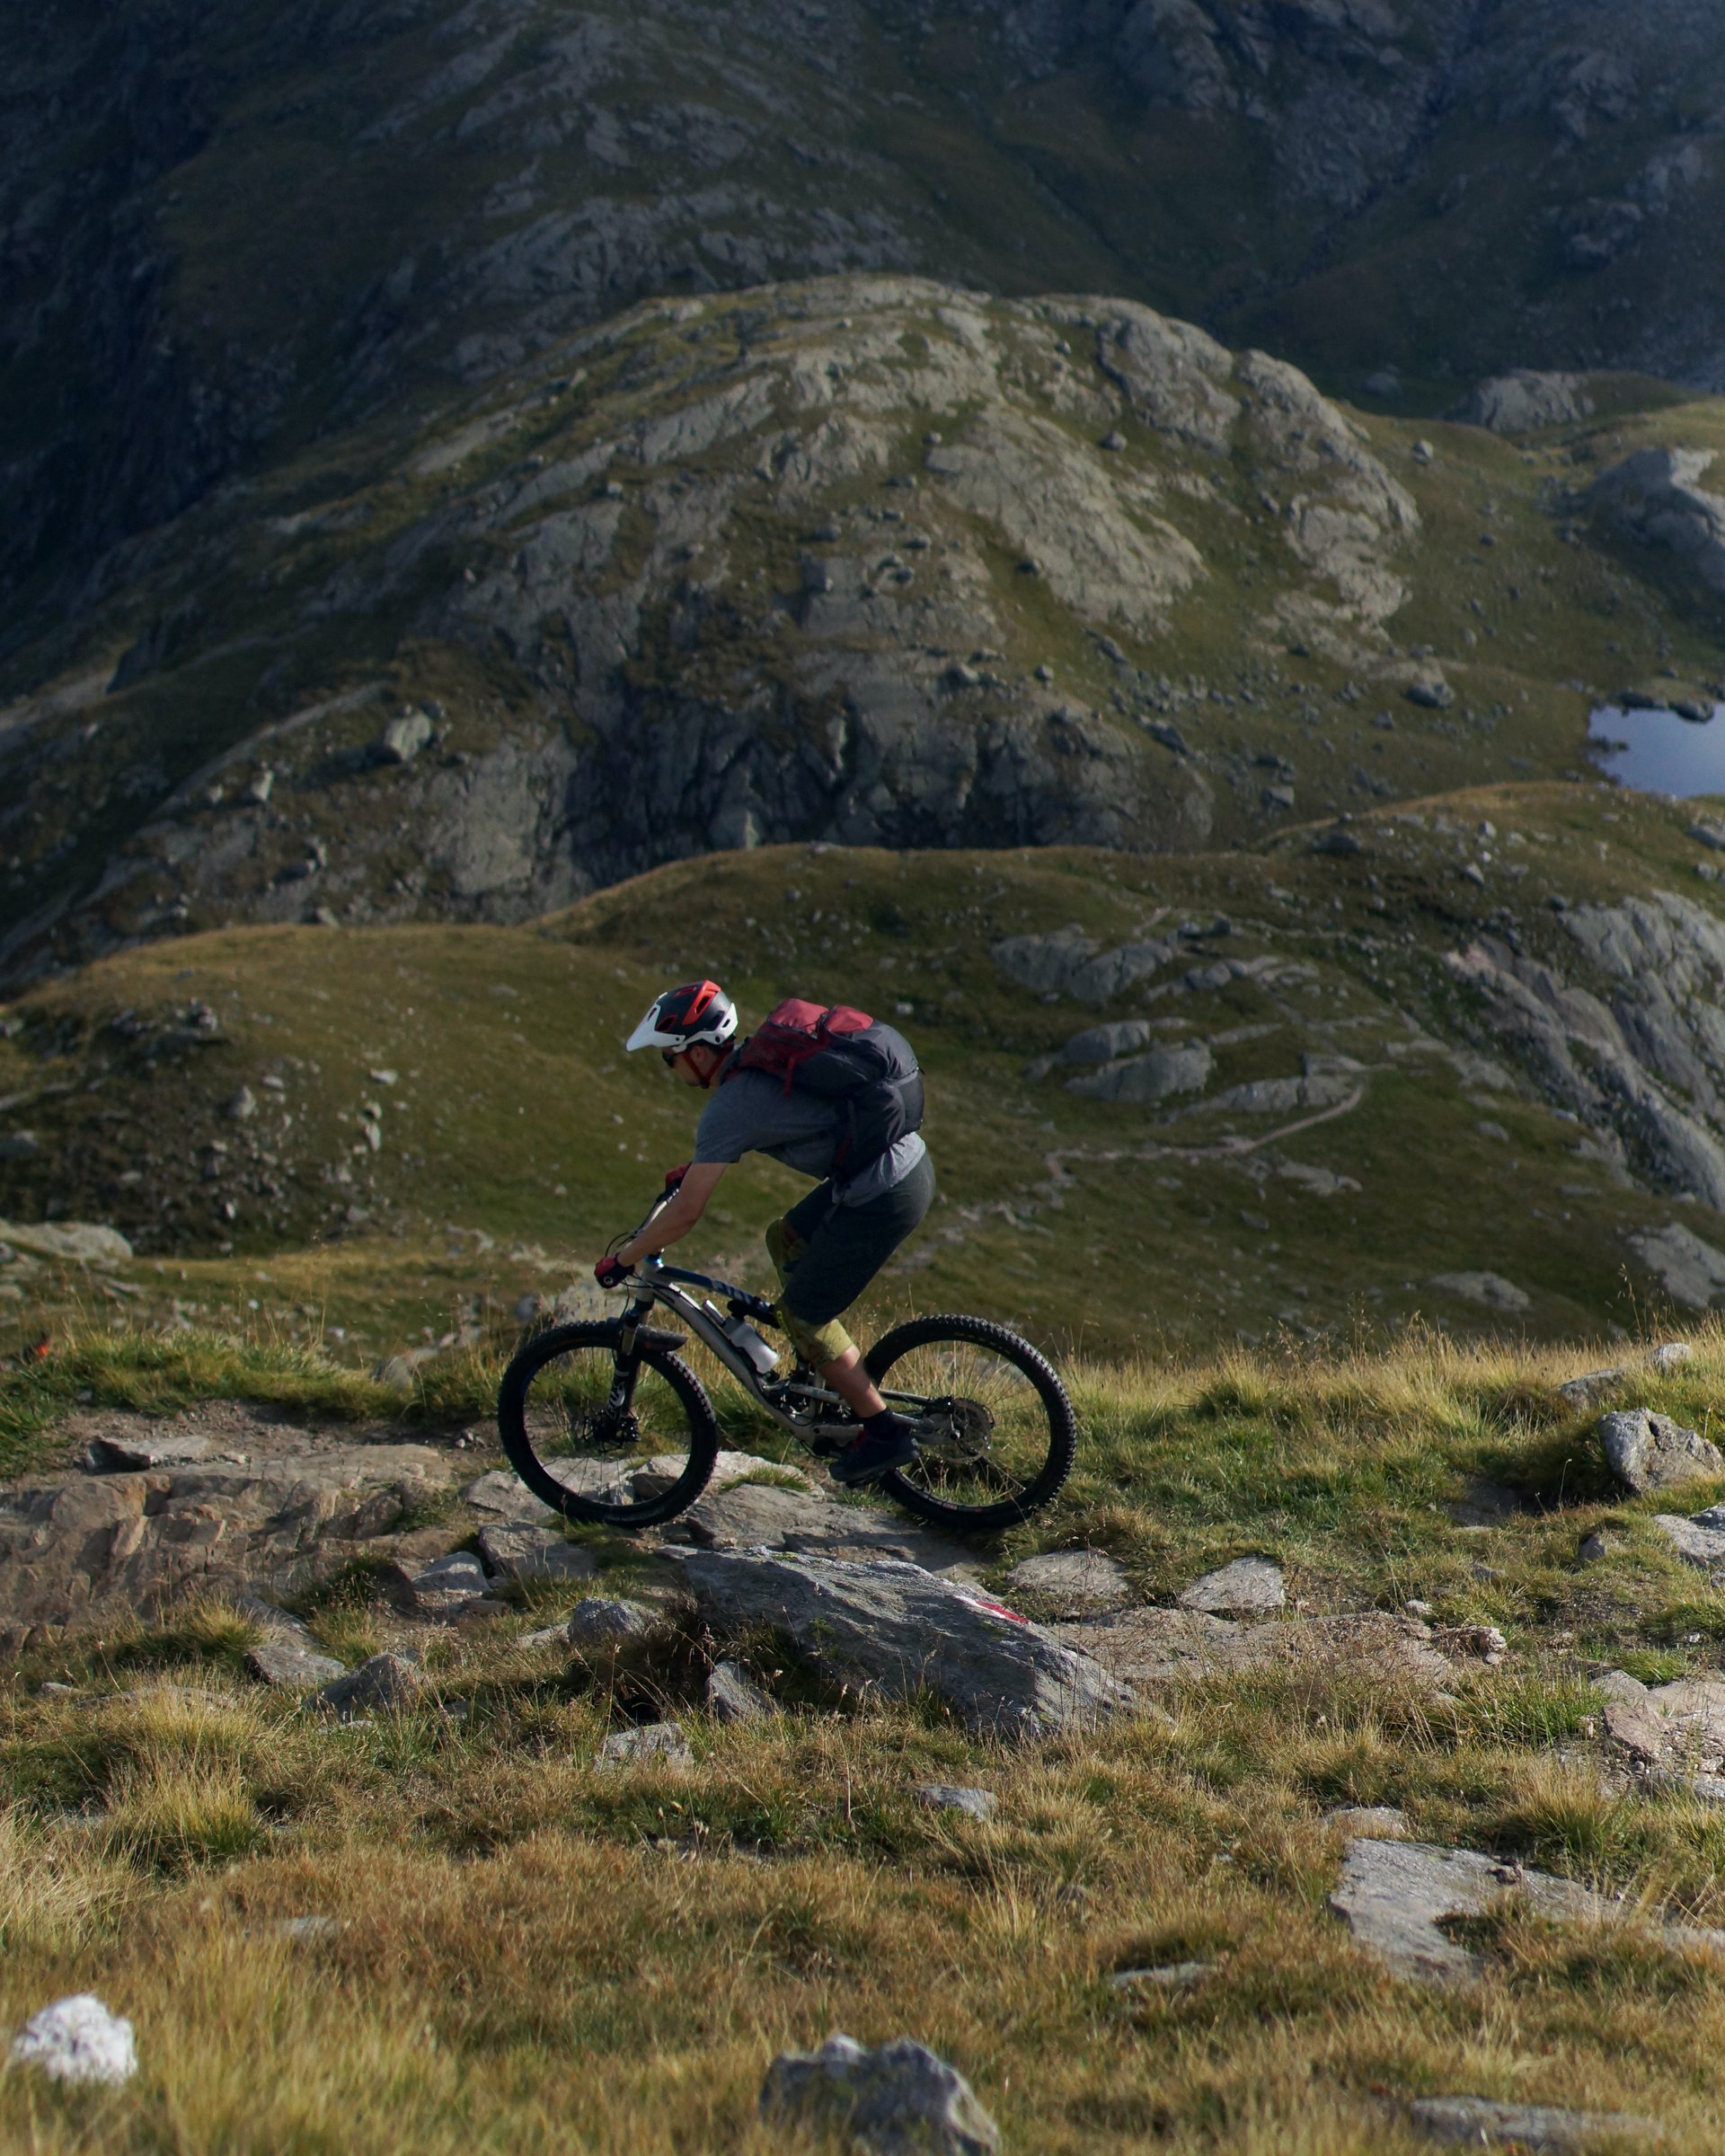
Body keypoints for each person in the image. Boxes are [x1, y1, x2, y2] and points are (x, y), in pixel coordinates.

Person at [593, 979, 934, 1486]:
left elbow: (687, 1213)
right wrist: (692, 1168)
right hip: (900, 1166)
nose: (670, 1069)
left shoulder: (729, 1105)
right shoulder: (758, 1063)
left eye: (670, 1058)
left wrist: (622, 1260)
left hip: (882, 1191)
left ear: (696, 1052)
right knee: (785, 1237)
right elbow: (769, 1120)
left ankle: (882, 1430)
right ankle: (819, 1372)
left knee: (802, 1313)